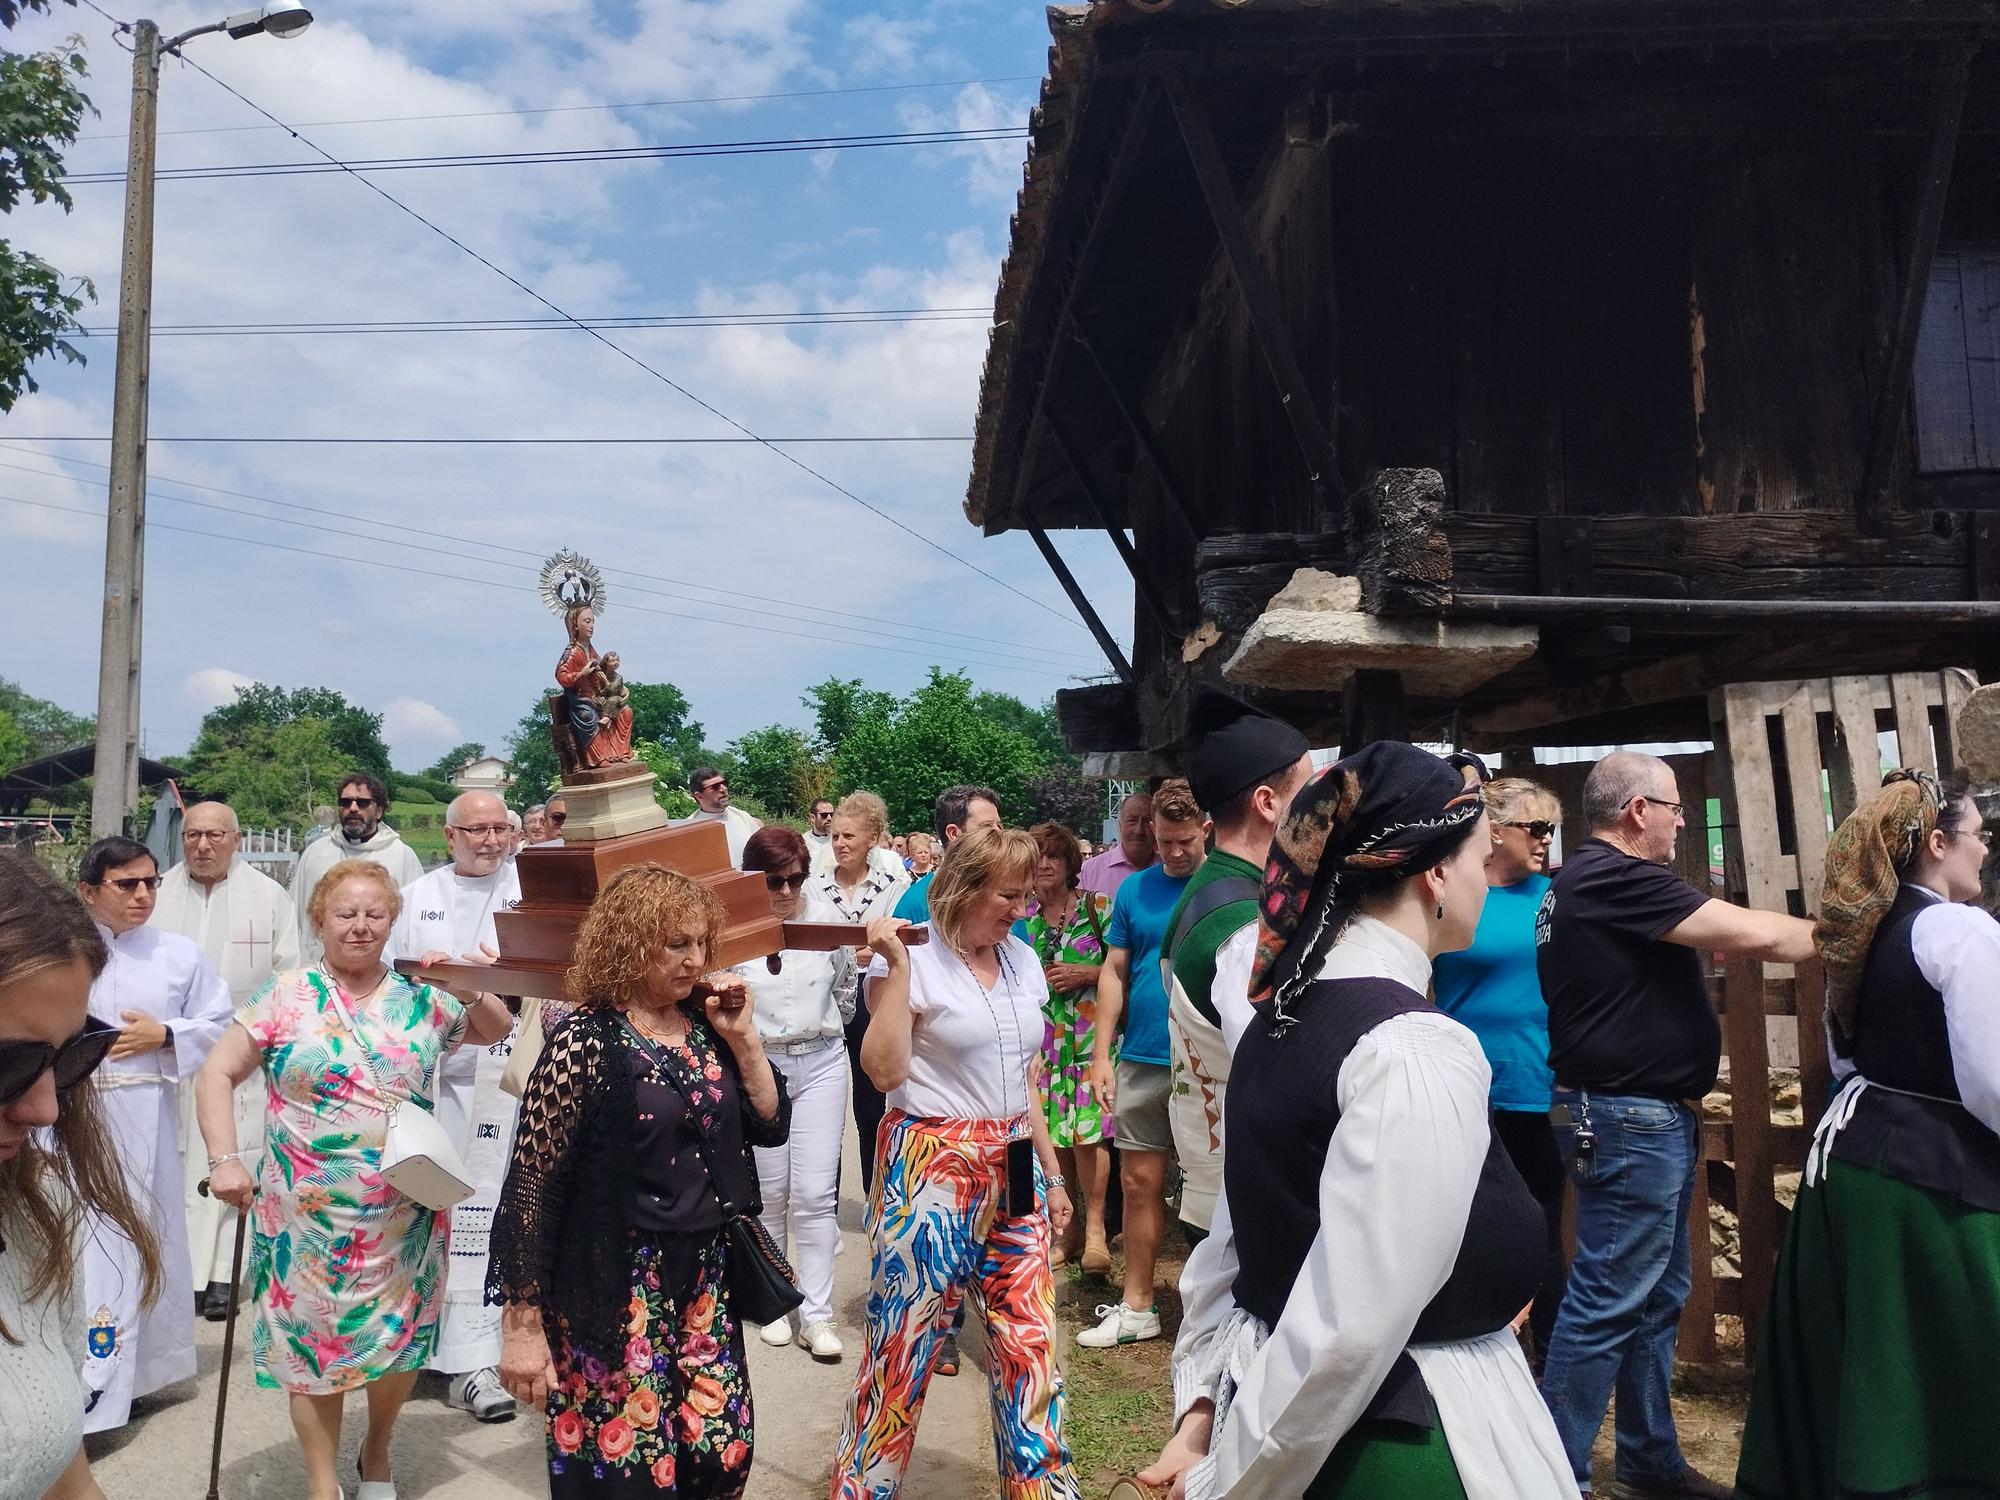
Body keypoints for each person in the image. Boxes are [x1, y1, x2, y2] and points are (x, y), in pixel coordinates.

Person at [1138, 741, 1572, 1499]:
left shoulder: (1280, 1013)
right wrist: (1223, 1480)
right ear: (1435, 873)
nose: (1483, 875)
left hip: (1293, 1419)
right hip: (1393, 1446)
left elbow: (1231, 1251)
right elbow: (1349, 1325)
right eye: (1477, 854)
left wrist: (1204, 1412)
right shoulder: (1411, 1047)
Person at [1536, 751, 1816, 1500]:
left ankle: (1647, 1459)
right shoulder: (1614, 878)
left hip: (1622, 1110)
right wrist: (1842, 932)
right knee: (1605, 1299)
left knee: (1657, 1294)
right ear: (1637, 812)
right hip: (1625, 1114)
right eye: (1673, 807)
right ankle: (1542, 1476)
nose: (1682, 820)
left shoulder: (1582, 882)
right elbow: (1758, 936)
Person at [199, 860, 512, 1500]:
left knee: (396, 1341)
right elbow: (215, 1074)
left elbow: (496, 1031)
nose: (360, 925)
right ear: (320, 920)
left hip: (405, 1212)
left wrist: (466, 981)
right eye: (346, 913)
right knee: (310, 1349)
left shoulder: (422, 996)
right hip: (303, 1218)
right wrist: (224, 1159)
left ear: (392, 921)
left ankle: (376, 1451)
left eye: (375, 913)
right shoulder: (284, 995)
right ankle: (322, 1483)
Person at [1736, 771, 2000, 1498]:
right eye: (1978, 836)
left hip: (1855, 1163)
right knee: (1949, 1360)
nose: (1985, 851)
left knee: (1869, 1357)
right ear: (1938, 843)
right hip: (1931, 1180)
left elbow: (1851, 1052)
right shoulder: (1959, 929)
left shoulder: (1872, 926)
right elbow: (1993, 1081)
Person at [489, 864, 789, 1497]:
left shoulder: (708, 1028)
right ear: (626, 943)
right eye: (674, 943)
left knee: (721, 1453)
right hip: (617, 1279)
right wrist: (522, 1326)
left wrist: (745, 1042)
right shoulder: (584, 1043)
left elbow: (769, 1122)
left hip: (705, 1273)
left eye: (700, 942)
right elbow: (530, 1187)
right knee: (628, 1469)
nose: (695, 959)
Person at [833, 827, 1078, 1499]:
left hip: (1016, 1156)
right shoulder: (910, 958)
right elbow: (883, 1073)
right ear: (964, 890)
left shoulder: (1024, 960)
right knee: (902, 1350)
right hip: (933, 1163)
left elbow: (1024, 1080)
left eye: (1028, 896)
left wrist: (1051, 1175)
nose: (1020, 909)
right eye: (1008, 895)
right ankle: (863, 1491)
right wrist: (897, 971)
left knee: (1031, 1344)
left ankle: (1042, 1492)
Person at [0, 851, 161, 1500]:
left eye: (71, 1057)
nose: (46, 1108)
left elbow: (60, 1471)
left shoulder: (31, 1208)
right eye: (8, 1064)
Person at [74, 835, 234, 1433]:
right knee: (80, 1249)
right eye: (127, 885)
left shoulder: (179, 954)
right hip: (69, 1117)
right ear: (90, 891)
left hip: (143, 1117)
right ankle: (74, 1373)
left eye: (150, 882)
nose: (143, 895)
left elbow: (221, 1024)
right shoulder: (64, 949)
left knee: (139, 1240)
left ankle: (133, 1376)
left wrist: (165, 1035)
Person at [388, 790, 524, 1424]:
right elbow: (391, 979)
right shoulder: (419, 896)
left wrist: (504, 973)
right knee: (422, 1205)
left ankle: (476, 1359)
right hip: (434, 1077)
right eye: (476, 830)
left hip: (509, 1077)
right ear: (449, 836)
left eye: (500, 828)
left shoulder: (529, 893)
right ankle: (412, 1346)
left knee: (487, 1210)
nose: (489, 840)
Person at [1163, 689, 1314, 1243]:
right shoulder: (1244, 922)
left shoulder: (1219, 893)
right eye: (1312, 791)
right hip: (1246, 1198)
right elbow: (1278, 1070)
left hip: (1227, 1186)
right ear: (1268, 802)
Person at [1431, 777, 1568, 1371]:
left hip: (1540, 1085)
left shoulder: (1557, 899)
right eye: (1534, 828)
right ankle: (1474, 1345)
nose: (1545, 840)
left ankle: (1552, 1355)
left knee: (1544, 1221)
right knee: (1469, 1216)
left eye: (1550, 829)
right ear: (1494, 831)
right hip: (1467, 1084)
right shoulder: (1454, 895)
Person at [153, 797, 300, 1322]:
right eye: (193, 834)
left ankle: (223, 1276)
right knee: (175, 1159)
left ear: (236, 841)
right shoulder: (159, 892)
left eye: (215, 835)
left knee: (232, 1158)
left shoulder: (269, 897)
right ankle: (179, 1272)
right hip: (167, 1050)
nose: (203, 844)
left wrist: (259, 1039)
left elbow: (287, 977)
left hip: (241, 1054)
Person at [1081, 778, 1207, 1350]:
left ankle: (1224, 1306)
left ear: (1205, 829)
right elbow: (1114, 971)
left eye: (1184, 841)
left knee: (1218, 1186)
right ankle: (1137, 1304)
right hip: (1144, 1055)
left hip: (1211, 1059)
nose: (1174, 853)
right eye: (1164, 841)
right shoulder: (1133, 892)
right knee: (1137, 1183)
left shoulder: (1230, 885)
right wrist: (1100, 1054)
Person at [736, 827, 855, 1363]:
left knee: (813, 1192)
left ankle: (817, 1313)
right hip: (761, 1061)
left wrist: (819, 1028)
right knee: (770, 1190)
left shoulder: (827, 919)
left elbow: (846, 992)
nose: (786, 891)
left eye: (795, 880)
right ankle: (776, 1305)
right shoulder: (733, 929)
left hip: (822, 1058)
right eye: (774, 881)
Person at [1021, 820, 1116, 1275]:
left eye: (1052, 856)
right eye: (1036, 857)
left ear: (1069, 864)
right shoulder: (1025, 921)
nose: (1043, 865)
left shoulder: (1099, 908)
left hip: (1090, 1040)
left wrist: (1086, 973)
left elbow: (1125, 972)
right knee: (1054, 1134)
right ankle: (1067, 1232)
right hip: (1046, 1043)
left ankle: (1096, 1233)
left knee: (1090, 1134)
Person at [816, 791, 910, 1206]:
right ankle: (825, 1201)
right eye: (835, 835)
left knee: (871, 1106)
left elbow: (894, 945)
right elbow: (813, 944)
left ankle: (875, 1199)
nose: (840, 843)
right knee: (827, 1110)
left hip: (873, 995)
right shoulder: (813, 886)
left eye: (849, 835)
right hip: (827, 999)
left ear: (873, 838)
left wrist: (849, 949)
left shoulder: (895, 885)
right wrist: (858, 947)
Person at [289, 772, 423, 964]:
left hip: (382, 972)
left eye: (362, 803)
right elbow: (295, 916)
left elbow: (414, 922)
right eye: (345, 802)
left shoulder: (402, 855)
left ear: (379, 810)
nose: (352, 808)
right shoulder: (316, 853)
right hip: (318, 970)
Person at [892, 784, 1002, 923]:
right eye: (987, 827)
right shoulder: (917, 902)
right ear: (953, 833)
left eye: (999, 825)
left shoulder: (1007, 896)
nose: (999, 833)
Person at [554, 605, 636, 770]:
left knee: (626, 712)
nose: (592, 626)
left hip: (600, 695)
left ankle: (620, 754)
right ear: (575, 625)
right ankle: (597, 759)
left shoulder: (590, 648)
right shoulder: (572, 652)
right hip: (581, 699)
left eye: (593, 621)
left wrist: (617, 683)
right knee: (588, 717)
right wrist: (582, 673)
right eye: (587, 621)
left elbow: (603, 668)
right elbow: (561, 676)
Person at [1079, 791, 1155, 901]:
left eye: (1146, 821)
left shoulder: (1170, 869)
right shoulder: (1089, 872)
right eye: (1132, 821)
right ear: (1120, 825)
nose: (1139, 830)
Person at [683, 766, 762, 866]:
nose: (723, 788)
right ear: (699, 796)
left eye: (724, 783)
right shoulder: (689, 828)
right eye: (715, 786)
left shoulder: (743, 818)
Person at [804, 797, 837, 873]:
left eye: (832, 814)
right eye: (824, 815)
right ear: (813, 818)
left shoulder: (840, 840)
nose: (829, 818)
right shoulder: (802, 843)